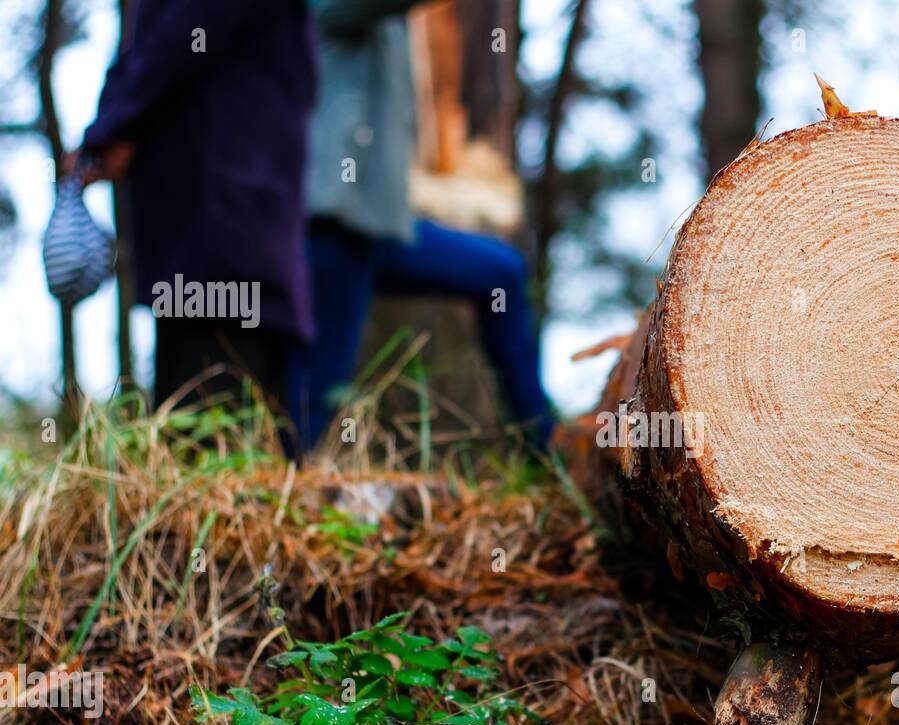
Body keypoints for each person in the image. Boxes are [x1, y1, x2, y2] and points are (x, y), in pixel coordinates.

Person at [288, 0, 554, 451]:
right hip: (332, 224)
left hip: (380, 225)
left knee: (501, 272)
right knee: (318, 385)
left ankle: (546, 443)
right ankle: (287, 482)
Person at [76, 0, 317, 409]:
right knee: (215, 397)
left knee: (211, 397)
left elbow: (185, 28)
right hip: (227, 217)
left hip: (220, 221)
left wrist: (111, 126)